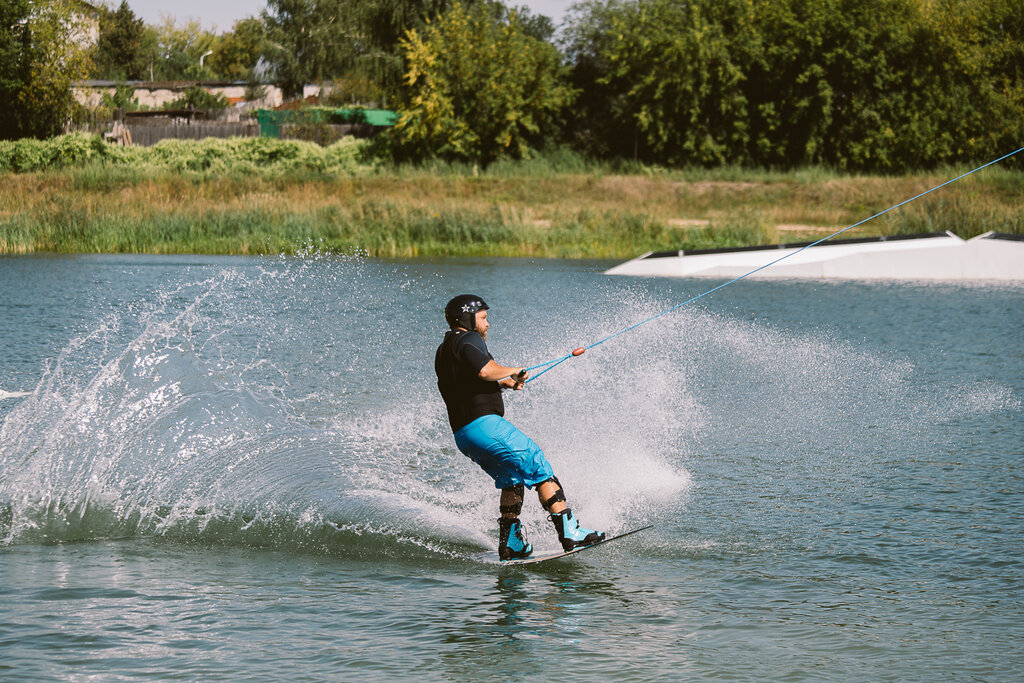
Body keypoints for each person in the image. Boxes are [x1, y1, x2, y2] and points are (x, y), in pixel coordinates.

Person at [435, 294, 605, 561]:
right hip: (485, 426)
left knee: (512, 479)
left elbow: (465, 383)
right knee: (538, 464)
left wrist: (504, 384)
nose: (488, 323)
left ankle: (511, 544)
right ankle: (570, 533)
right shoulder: (469, 339)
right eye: (483, 317)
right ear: (467, 319)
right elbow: (484, 370)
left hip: (464, 435)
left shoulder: (445, 348)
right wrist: (511, 371)